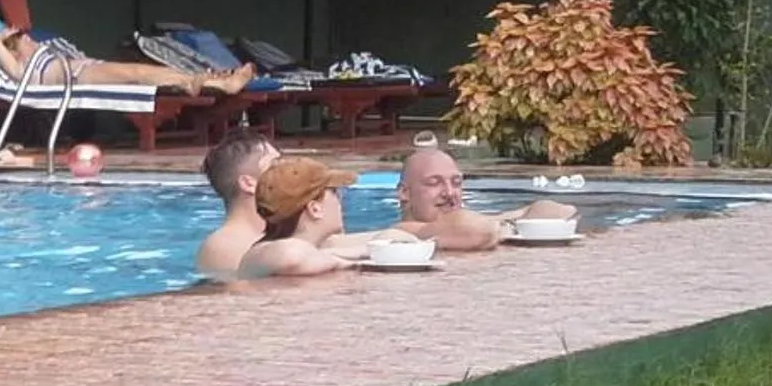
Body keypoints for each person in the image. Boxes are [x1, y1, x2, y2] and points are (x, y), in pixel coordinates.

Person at [396, 145, 577, 251]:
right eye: (434, 183)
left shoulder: (471, 223)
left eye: (456, 182)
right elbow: (477, 230)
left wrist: (502, 225)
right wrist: (513, 224)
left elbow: (561, 211)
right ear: (404, 193)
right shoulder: (403, 233)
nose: (450, 193)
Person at [0, 25, 254, 95]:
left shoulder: (39, 54)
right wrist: (1, 37)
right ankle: (200, 82)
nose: (31, 39)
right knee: (138, 73)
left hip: (87, 69)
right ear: (14, 50)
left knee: (143, 71)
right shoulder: (21, 69)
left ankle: (207, 82)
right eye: (24, 38)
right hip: (81, 77)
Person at [236, 158, 371, 279]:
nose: (340, 201)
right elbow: (291, 255)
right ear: (315, 209)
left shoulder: (310, 250)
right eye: (335, 193)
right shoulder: (262, 254)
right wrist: (347, 264)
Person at [196, 133, 281, 276]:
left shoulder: (278, 234)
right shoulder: (226, 247)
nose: (290, 172)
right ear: (249, 183)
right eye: (275, 166)